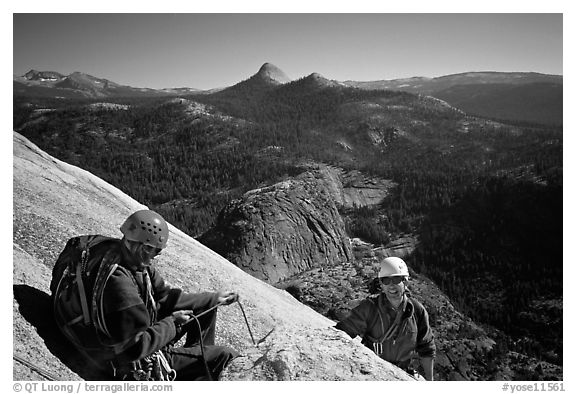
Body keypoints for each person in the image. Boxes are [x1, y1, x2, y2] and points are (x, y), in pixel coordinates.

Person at [73, 209, 239, 380]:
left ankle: (197, 367)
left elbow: (166, 297)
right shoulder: (120, 284)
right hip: (133, 358)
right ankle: (194, 369)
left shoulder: (128, 259)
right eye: (156, 251)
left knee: (207, 306)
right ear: (144, 248)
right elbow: (135, 348)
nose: (156, 256)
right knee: (225, 355)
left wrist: (214, 299)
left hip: (136, 335)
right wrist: (172, 323)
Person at [335, 256, 436, 380]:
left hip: (402, 374)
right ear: (381, 284)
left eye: (396, 279)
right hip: (372, 372)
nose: (391, 286)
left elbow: (427, 349)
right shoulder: (369, 308)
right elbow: (343, 332)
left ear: (405, 282)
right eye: (386, 281)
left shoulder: (417, 311)